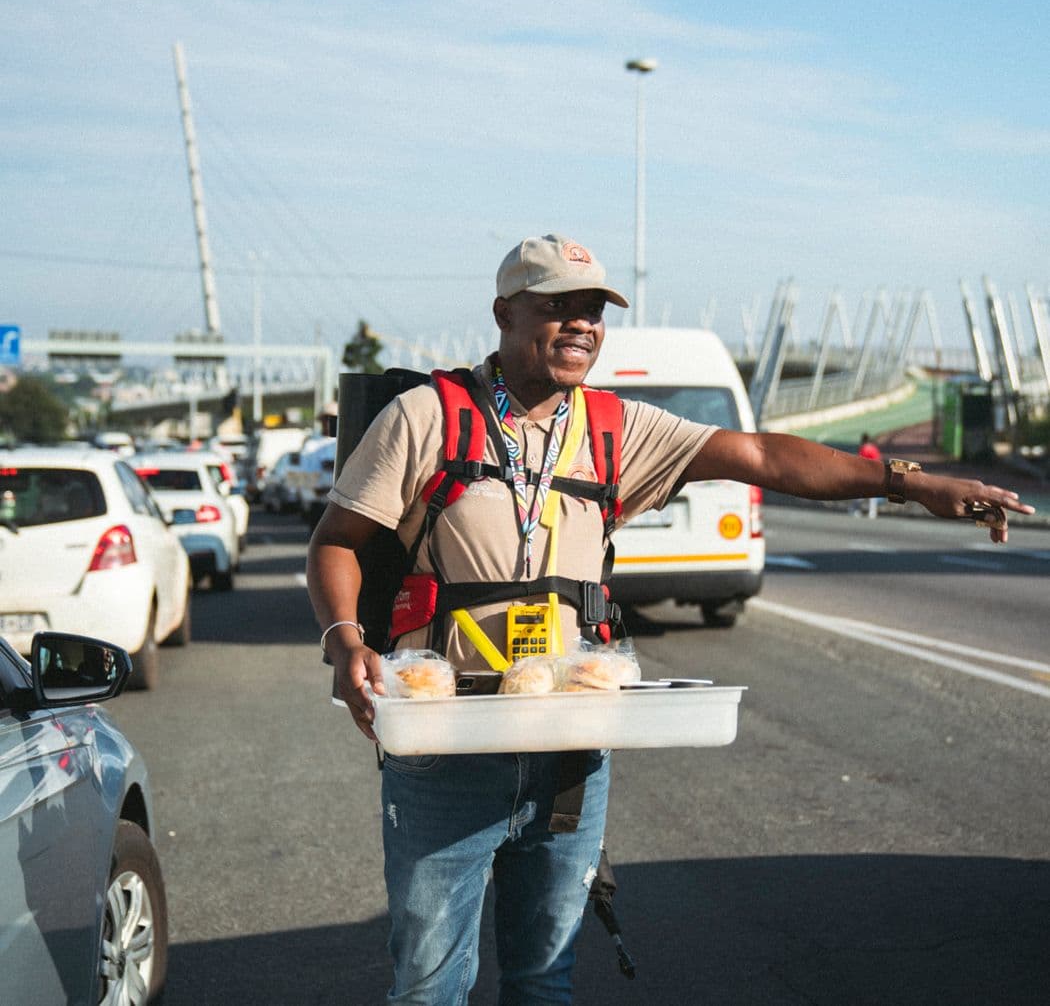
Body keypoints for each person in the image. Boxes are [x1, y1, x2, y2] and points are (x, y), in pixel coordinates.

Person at [306, 233, 1033, 1004]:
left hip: (568, 746)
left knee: (544, 980)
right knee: (427, 986)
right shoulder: (425, 417)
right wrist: (344, 637)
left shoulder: (618, 429)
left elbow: (761, 456)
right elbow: (337, 543)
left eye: (592, 309)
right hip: (444, 741)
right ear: (504, 313)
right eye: (556, 306)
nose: (580, 324)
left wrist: (906, 482)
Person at [851, 432, 883, 517]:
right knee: (872, 496)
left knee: (859, 494)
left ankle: (854, 510)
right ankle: (872, 512)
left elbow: (860, 461)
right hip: (872, 474)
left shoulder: (863, 449)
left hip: (863, 474)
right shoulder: (873, 448)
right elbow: (878, 461)